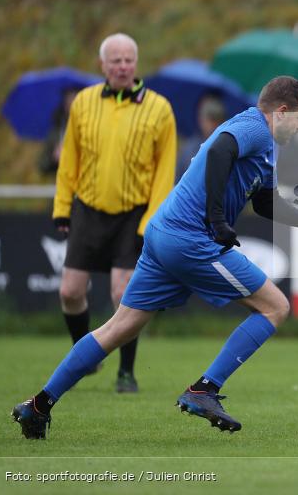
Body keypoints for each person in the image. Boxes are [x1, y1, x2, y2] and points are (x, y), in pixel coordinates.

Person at [12, 76, 298, 439]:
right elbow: (219, 151)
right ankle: (204, 389)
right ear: (282, 111)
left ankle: (38, 405)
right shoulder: (254, 127)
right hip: (188, 239)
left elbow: (266, 203)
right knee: (275, 307)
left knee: (119, 327)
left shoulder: (267, 147)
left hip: (164, 234)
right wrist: (216, 217)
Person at [52, 33, 177, 393]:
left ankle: (126, 372)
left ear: (137, 64)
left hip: (134, 214)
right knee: (70, 292)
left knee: (124, 294)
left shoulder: (159, 108)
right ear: (102, 65)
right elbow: (69, 162)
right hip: (88, 209)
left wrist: (150, 220)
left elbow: (163, 173)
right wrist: (62, 208)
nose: (122, 66)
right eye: (115, 60)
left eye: (128, 60)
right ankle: (87, 355)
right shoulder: (83, 103)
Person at [176, 94, 227, 181]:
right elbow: (178, 177)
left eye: (216, 120)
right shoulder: (189, 148)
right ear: (201, 120)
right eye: (210, 120)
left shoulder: (227, 148)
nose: (212, 126)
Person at [37, 87, 79, 176]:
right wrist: (54, 158)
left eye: (75, 99)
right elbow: (42, 166)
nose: (71, 103)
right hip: (62, 184)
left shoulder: (90, 128)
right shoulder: (56, 131)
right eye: (69, 100)